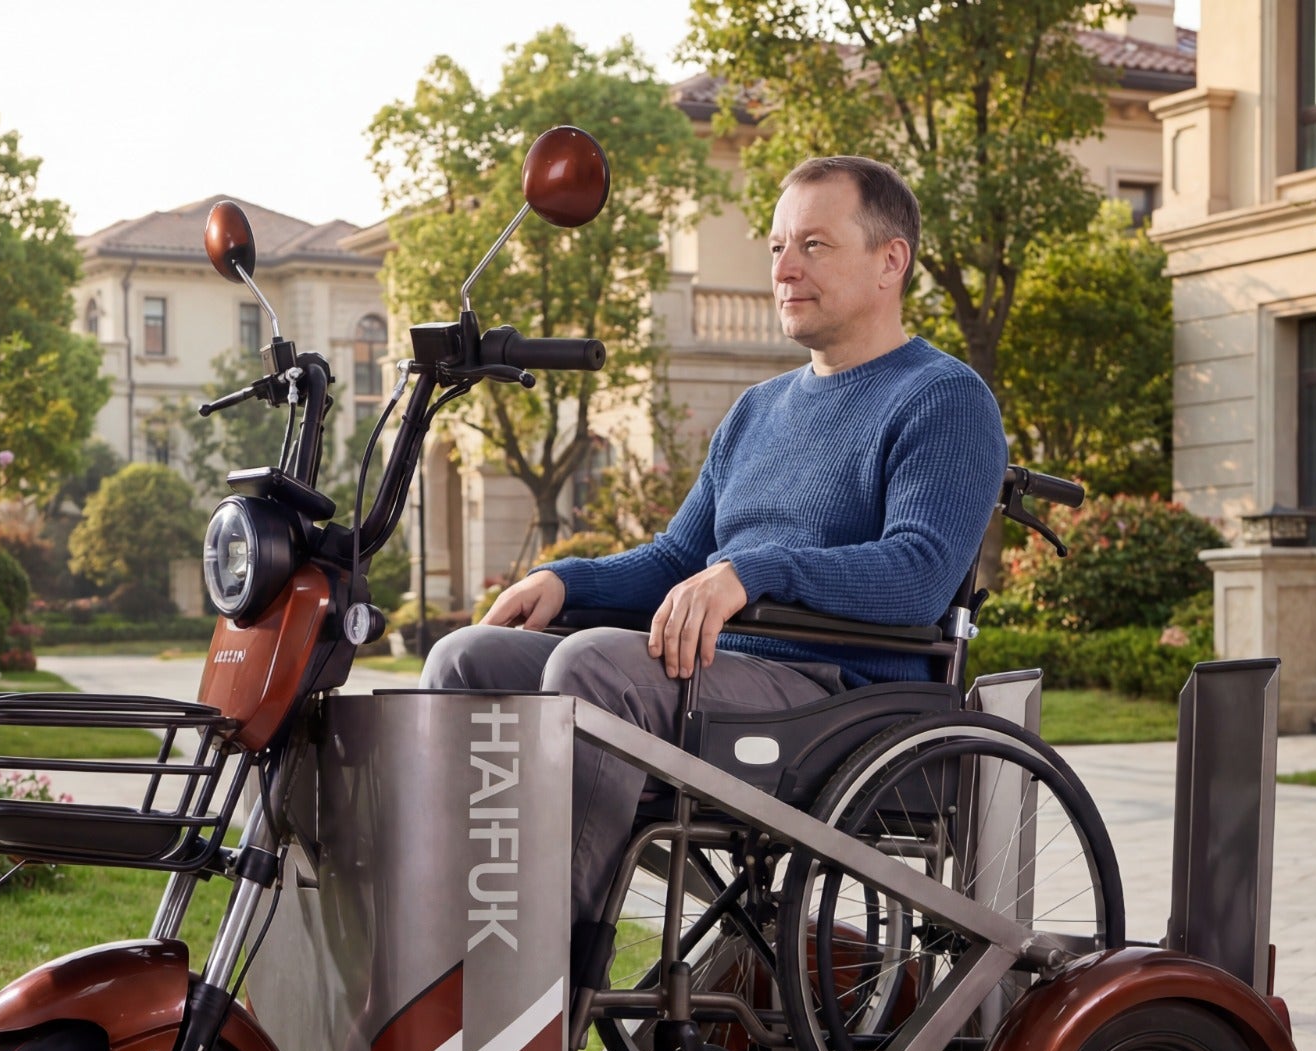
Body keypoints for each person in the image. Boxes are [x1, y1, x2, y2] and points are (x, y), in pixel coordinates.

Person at [421, 154, 1007, 982]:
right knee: (468, 659)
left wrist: (757, 570)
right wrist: (568, 582)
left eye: (813, 244)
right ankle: (449, 953)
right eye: (775, 247)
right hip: (722, 675)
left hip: (841, 699)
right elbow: (676, 560)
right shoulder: (758, 410)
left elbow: (917, 573)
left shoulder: (943, 398)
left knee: (593, 669)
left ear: (890, 261)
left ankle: (536, 995)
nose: (784, 269)